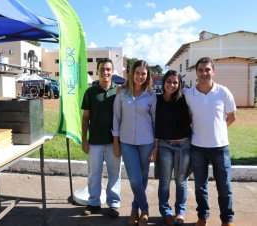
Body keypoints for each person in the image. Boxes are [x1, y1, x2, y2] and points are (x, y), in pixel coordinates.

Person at [184, 57, 236, 226]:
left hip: (220, 148)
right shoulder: (189, 94)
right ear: (196, 72)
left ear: (213, 71)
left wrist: (218, 132)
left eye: (207, 69)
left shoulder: (223, 92)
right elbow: (189, 118)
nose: (204, 73)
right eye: (200, 70)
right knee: (200, 187)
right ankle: (202, 217)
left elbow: (232, 117)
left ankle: (227, 219)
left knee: (225, 187)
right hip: (197, 148)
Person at [112, 60, 157, 226]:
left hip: (147, 142)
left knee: (143, 178)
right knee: (135, 180)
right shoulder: (121, 93)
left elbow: (155, 122)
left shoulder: (152, 96)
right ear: (132, 74)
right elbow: (116, 119)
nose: (140, 76)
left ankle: (133, 209)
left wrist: (156, 146)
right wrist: (116, 142)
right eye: (137, 73)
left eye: (143, 73)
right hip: (126, 142)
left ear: (147, 76)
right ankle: (144, 209)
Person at [81, 58, 122, 219]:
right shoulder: (90, 92)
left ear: (112, 71)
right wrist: (84, 139)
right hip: (95, 142)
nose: (105, 72)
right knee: (93, 174)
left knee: (114, 175)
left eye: (108, 69)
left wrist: (119, 142)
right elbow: (85, 118)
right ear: (97, 71)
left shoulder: (118, 91)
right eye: (102, 69)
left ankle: (113, 204)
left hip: (114, 142)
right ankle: (93, 203)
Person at [154, 70, 192, 226]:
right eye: (168, 81)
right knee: (164, 181)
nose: (172, 85)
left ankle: (180, 212)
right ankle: (166, 212)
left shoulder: (185, 99)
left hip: (184, 145)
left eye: (175, 82)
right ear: (163, 83)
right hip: (165, 145)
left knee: (181, 181)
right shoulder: (156, 100)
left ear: (179, 84)